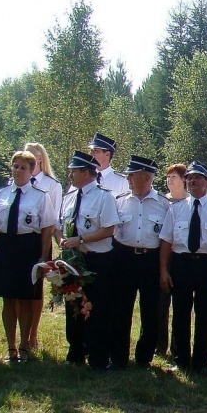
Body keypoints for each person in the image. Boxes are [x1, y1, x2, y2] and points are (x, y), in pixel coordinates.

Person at [159, 160, 207, 374]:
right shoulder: (176, 209)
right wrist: (164, 270)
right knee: (180, 313)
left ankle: (201, 362)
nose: (192, 181)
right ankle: (180, 359)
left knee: (204, 314)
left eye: (197, 178)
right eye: (189, 177)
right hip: (181, 264)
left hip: (206, 265)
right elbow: (165, 241)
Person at [0, 150, 55, 363]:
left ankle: (24, 345)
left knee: (25, 300)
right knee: (8, 300)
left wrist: (43, 257)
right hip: (5, 248)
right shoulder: (0, 194)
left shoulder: (40, 196)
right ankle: (11, 347)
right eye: (15, 166)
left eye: (23, 167)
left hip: (28, 249)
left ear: (32, 170)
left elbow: (47, 228)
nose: (18, 171)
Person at [56, 151, 119, 369]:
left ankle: (98, 357)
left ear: (86, 173)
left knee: (98, 309)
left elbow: (109, 229)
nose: (70, 175)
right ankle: (75, 352)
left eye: (74, 171)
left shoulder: (104, 197)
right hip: (74, 260)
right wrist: (63, 240)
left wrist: (80, 239)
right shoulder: (69, 197)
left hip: (98, 261)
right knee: (73, 304)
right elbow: (59, 226)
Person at [112, 155, 171, 369]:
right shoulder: (119, 201)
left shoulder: (164, 204)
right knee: (121, 309)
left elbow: (167, 238)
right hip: (124, 259)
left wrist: (163, 269)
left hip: (151, 261)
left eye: (132, 175)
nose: (127, 178)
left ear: (146, 177)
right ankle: (118, 357)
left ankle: (144, 357)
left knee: (150, 311)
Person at [22, 142, 63, 353]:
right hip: (19, 241)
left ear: (39, 159)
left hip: (41, 240)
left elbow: (54, 219)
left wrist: (54, 246)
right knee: (19, 289)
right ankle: (20, 334)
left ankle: (33, 334)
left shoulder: (52, 185)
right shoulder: (17, 180)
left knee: (36, 289)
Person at [157, 163, 188, 357]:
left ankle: (178, 348)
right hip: (161, 257)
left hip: (181, 259)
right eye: (167, 177)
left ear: (184, 180)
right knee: (159, 305)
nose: (169, 181)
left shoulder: (190, 203)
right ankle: (159, 346)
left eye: (174, 177)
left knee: (180, 307)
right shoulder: (161, 202)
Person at [84, 132, 129, 197]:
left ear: (107, 154)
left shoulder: (121, 182)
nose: (91, 154)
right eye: (91, 150)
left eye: (95, 151)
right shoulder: (85, 177)